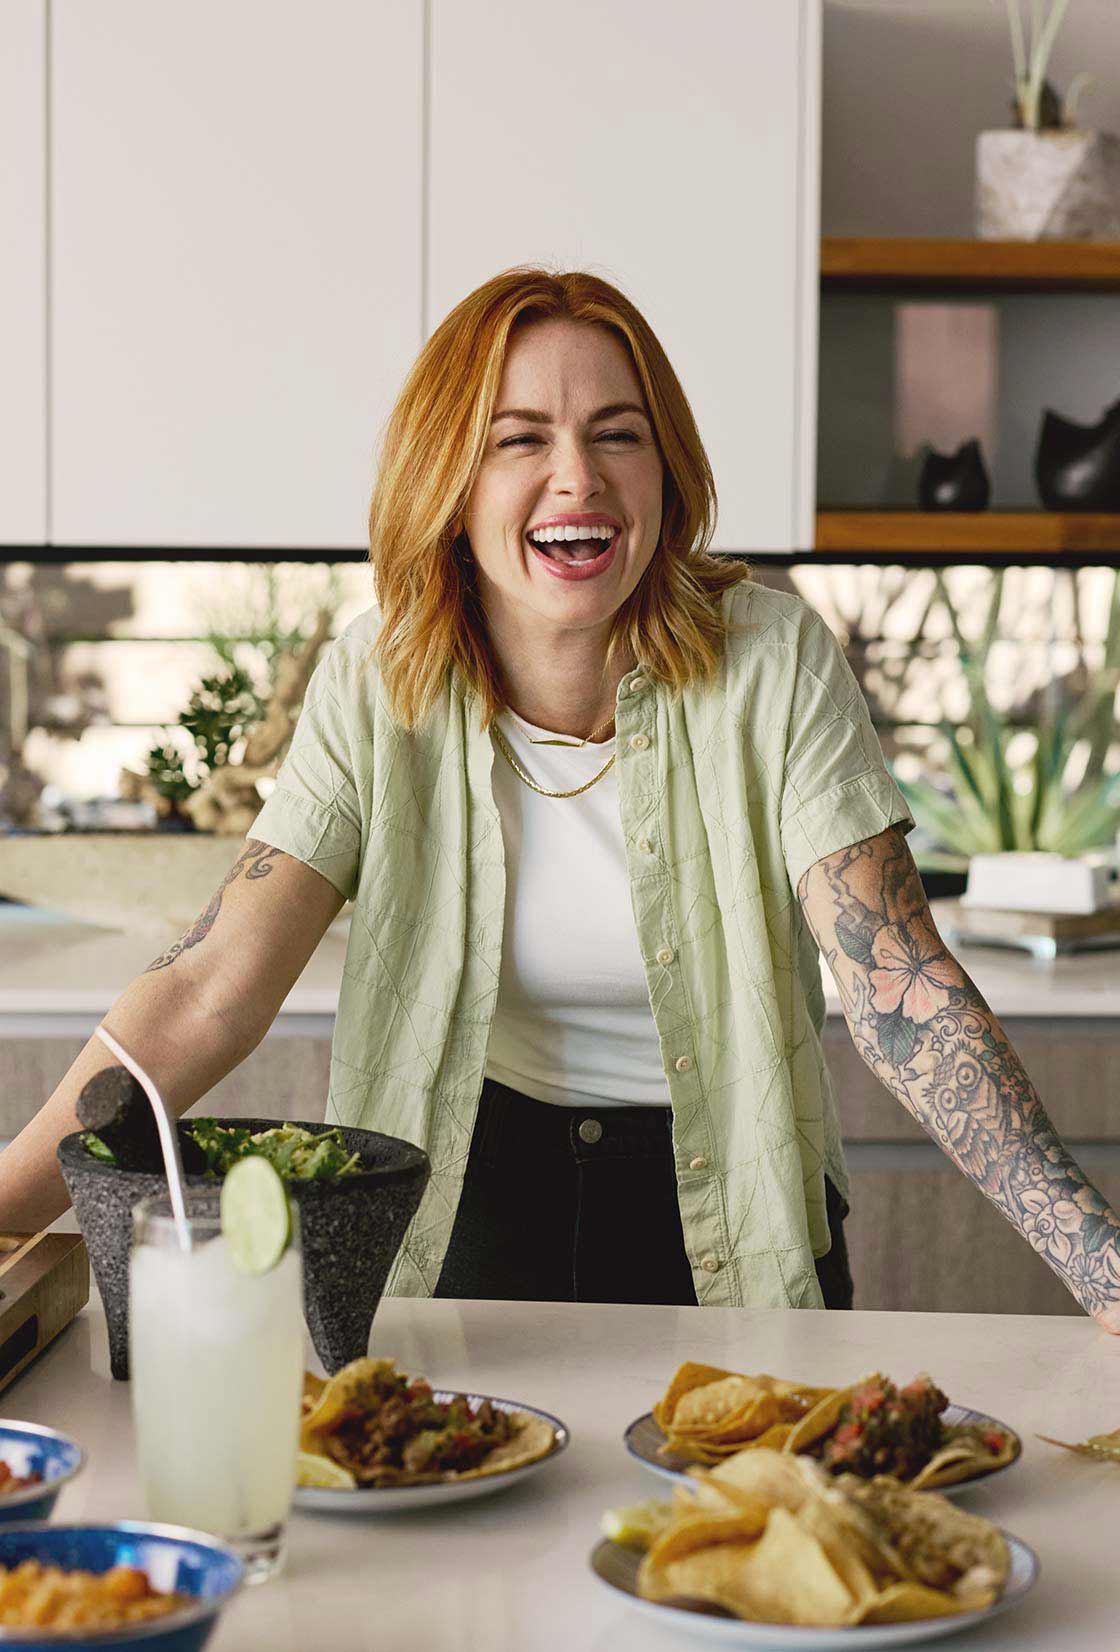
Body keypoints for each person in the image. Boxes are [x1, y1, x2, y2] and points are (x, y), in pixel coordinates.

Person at [4, 268, 1119, 1330]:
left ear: (664, 471)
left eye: (617, 434)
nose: (577, 477)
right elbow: (209, 986)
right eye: (519, 439)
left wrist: (1102, 1268)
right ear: (451, 480)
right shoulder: (376, 679)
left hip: (741, 1211)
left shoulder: (772, 660)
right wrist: (7, 1203)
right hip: (468, 1208)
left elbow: (900, 993)